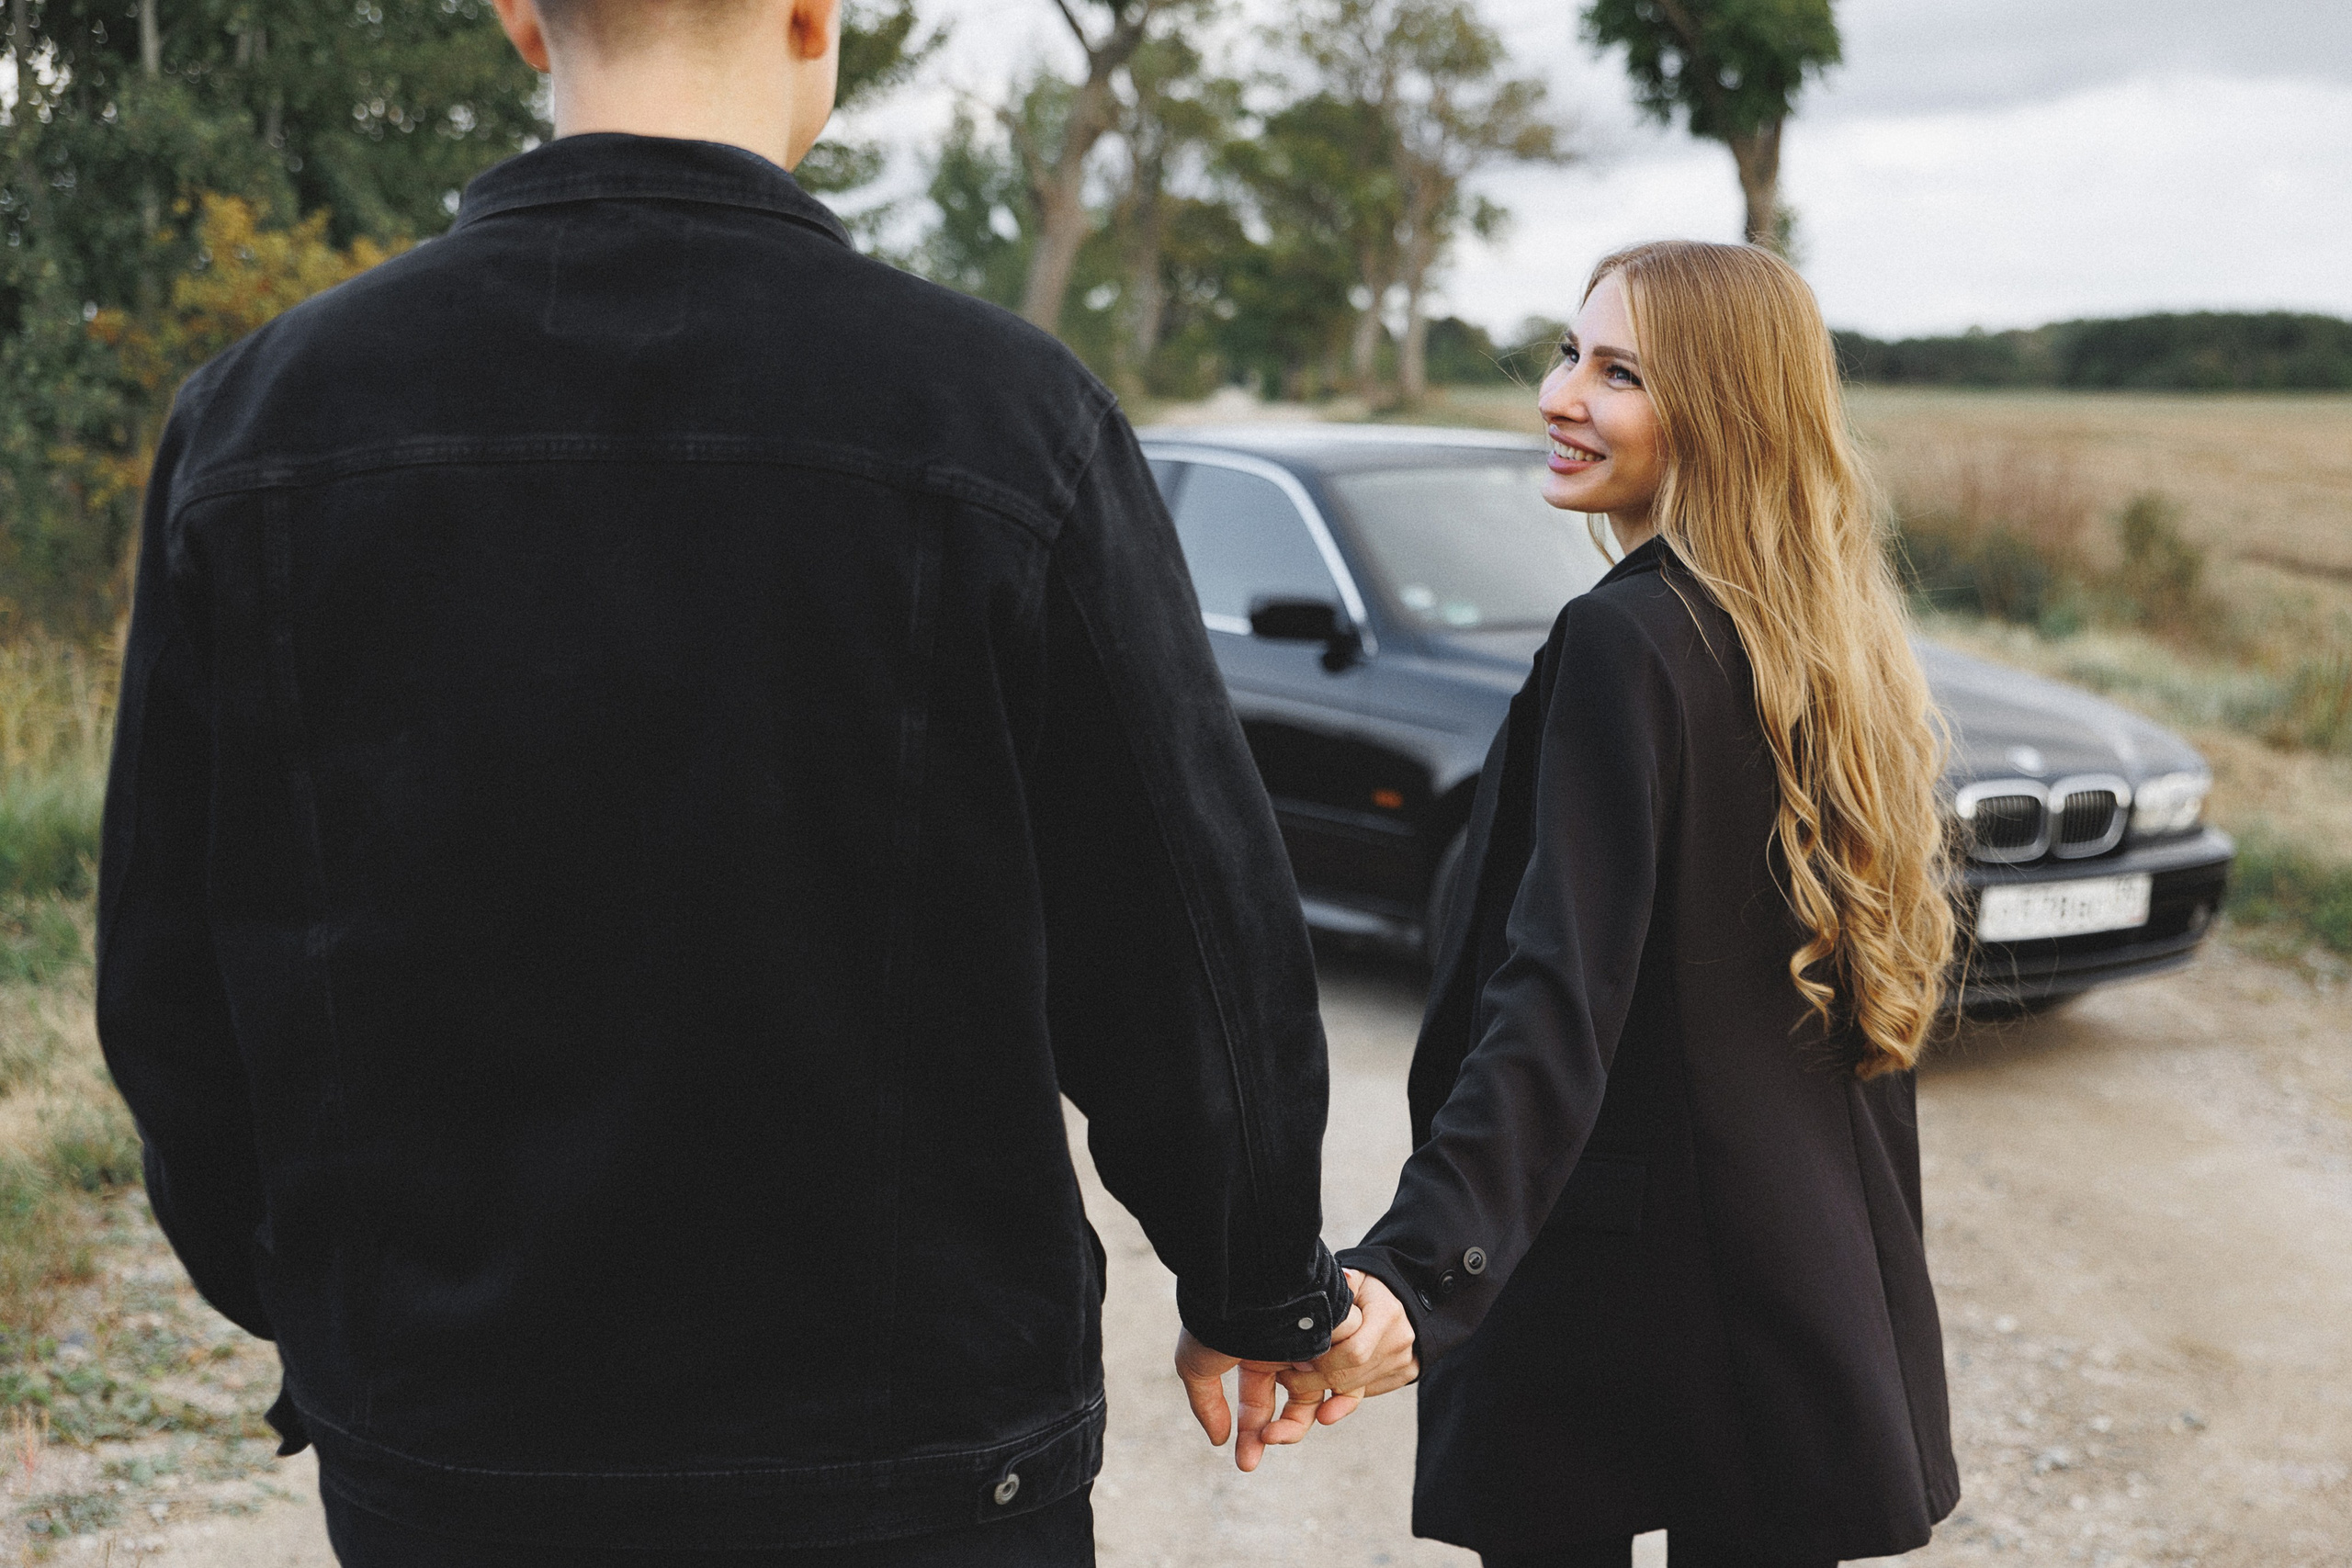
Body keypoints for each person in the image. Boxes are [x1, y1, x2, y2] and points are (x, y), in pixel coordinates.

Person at [93, 0, 1353, 1562]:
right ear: (815, 15)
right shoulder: (1006, 417)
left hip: (454, 1454)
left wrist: (320, 1301)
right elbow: (1183, 940)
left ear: (520, 20)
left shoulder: (254, 423)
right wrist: (1257, 1283)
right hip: (915, 1469)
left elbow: (167, 976)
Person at [1295, 240, 1963, 1565]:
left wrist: (1418, 1272)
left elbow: (1556, 992)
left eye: (1621, 375)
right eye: (1569, 354)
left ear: (1722, 411)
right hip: (1791, 1279)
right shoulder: (1825, 634)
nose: (1559, 396)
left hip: (1617, 1286)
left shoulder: (1626, 640)